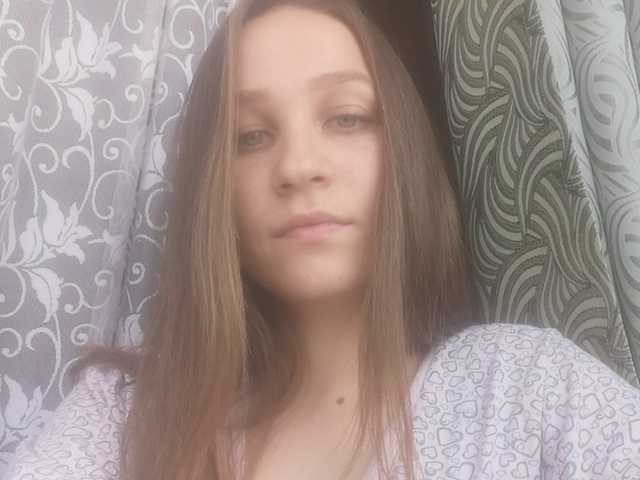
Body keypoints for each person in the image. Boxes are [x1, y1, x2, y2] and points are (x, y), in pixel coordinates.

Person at [6, 0, 640, 479]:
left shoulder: (528, 390)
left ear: (404, 153)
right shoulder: (123, 417)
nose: (298, 166)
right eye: (251, 136)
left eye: (346, 117)